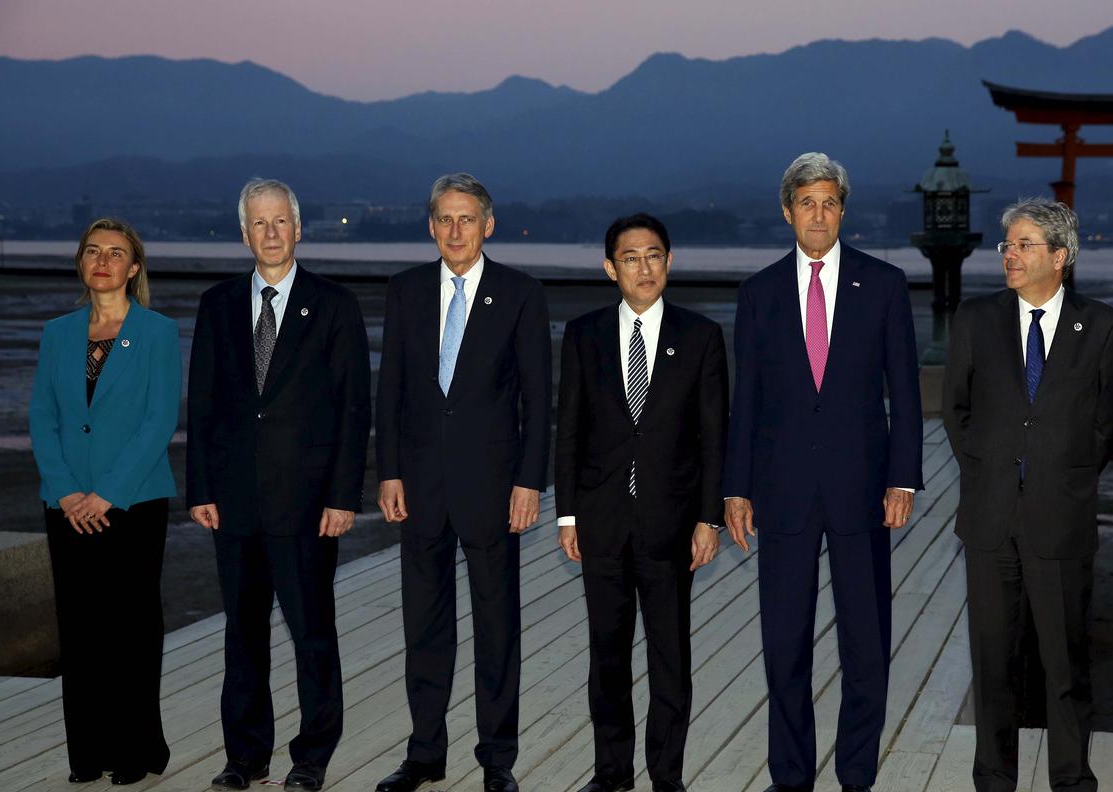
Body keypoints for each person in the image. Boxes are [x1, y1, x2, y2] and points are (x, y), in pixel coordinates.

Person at [723, 152, 922, 792]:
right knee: (785, 646)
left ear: (843, 211)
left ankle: (857, 774)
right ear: (787, 211)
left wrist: (903, 477)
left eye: (829, 201)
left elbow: (907, 394)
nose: (818, 213)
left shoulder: (885, 284)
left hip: (862, 487)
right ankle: (791, 777)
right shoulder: (757, 294)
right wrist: (736, 487)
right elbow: (745, 400)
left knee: (866, 644)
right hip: (780, 490)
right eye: (806, 202)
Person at [186, 178, 371, 792]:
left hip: (308, 503)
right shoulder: (216, 305)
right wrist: (200, 488)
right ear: (244, 234)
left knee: (313, 633)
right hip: (234, 503)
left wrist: (345, 496)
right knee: (241, 636)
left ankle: (311, 755)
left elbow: (352, 409)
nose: (270, 233)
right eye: (258, 224)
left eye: (280, 222)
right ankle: (245, 757)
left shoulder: (335, 305)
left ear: (299, 229)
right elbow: (204, 404)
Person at [942, 199, 1113, 792]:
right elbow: (956, 411)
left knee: (1065, 664)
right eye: (1007, 246)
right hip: (989, 518)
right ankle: (993, 779)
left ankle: (1071, 780)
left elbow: (1109, 424)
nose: (1010, 256)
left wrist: (1063, 474)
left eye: (1023, 245)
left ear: (1061, 256)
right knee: (992, 663)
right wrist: (992, 466)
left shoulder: (1100, 326)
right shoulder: (975, 321)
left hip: (1060, 519)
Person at [373, 173, 550, 792]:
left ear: (488, 225)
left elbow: (537, 398)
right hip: (418, 484)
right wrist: (388, 470)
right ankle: (425, 753)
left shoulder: (521, 293)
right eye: (444, 219)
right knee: (424, 625)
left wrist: (531, 481)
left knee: (496, 625)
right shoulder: (406, 291)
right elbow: (389, 388)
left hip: (494, 488)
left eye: (467, 219)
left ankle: (496, 759)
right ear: (430, 225)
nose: (455, 230)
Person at [555, 213, 727, 792]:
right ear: (610, 268)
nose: (644, 267)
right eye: (630, 257)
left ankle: (666, 776)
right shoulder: (583, 336)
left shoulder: (700, 337)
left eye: (654, 255)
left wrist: (709, 518)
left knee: (669, 658)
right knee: (607, 655)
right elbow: (569, 431)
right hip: (601, 522)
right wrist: (568, 513)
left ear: (669, 262)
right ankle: (611, 773)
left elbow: (712, 438)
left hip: (672, 524)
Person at [29, 218, 179, 786]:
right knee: (81, 629)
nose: (102, 260)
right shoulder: (56, 333)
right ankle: (87, 755)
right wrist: (68, 491)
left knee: (132, 628)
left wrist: (107, 494)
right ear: (81, 263)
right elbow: (43, 417)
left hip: (134, 502)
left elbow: (158, 420)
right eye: (93, 251)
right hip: (66, 505)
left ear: (133, 267)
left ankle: (137, 750)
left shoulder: (158, 332)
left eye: (115, 253)